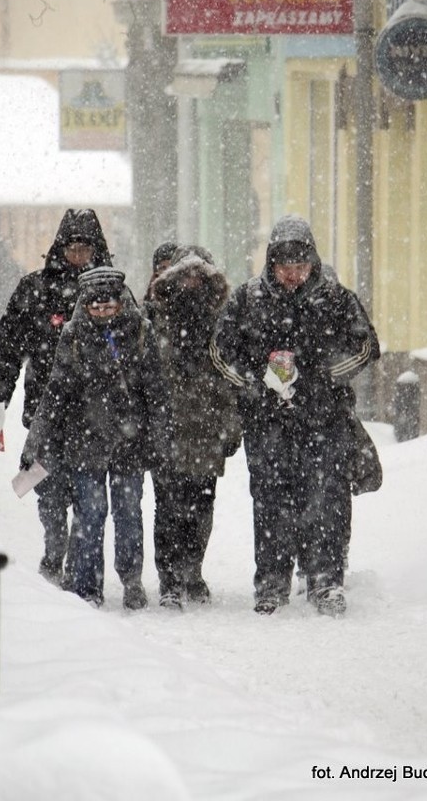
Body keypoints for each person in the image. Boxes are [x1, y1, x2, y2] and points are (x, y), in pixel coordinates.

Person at [210, 214, 380, 617]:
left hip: (324, 421)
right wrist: (252, 383)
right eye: (285, 267)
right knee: (271, 500)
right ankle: (271, 583)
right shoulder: (248, 299)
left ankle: (326, 580)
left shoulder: (335, 299)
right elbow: (220, 350)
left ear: (313, 262)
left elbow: (365, 346)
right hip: (267, 422)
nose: (293, 275)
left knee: (326, 499)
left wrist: (321, 377)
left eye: (301, 266)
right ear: (271, 263)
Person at [21, 266, 171, 609]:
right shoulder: (72, 337)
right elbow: (55, 394)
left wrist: (161, 439)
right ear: (84, 306)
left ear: (121, 303)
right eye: (95, 308)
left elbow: (157, 393)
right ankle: (87, 585)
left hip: (130, 444)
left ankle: (131, 579)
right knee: (90, 512)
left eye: (110, 307)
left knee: (128, 512)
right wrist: (35, 442)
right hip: (84, 441)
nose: (103, 314)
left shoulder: (141, 332)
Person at [0, 208, 114, 584]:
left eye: (85, 248)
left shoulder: (112, 294)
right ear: (60, 248)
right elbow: (7, 351)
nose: (78, 255)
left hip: (95, 415)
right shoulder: (34, 289)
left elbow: (134, 355)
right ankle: (55, 552)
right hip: (46, 413)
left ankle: (81, 564)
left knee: (89, 497)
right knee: (50, 491)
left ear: (97, 250)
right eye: (72, 248)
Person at [147, 245, 242, 609]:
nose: (191, 282)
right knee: (167, 506)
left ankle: (192, 571)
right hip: (166, 429)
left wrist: (231, 428)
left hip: (206, 430)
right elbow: (143, 377)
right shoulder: (154, 319)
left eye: (198, 275)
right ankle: (169, 580)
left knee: (201, 505)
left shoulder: (223, 325)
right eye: (184, 274)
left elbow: (232, 380)